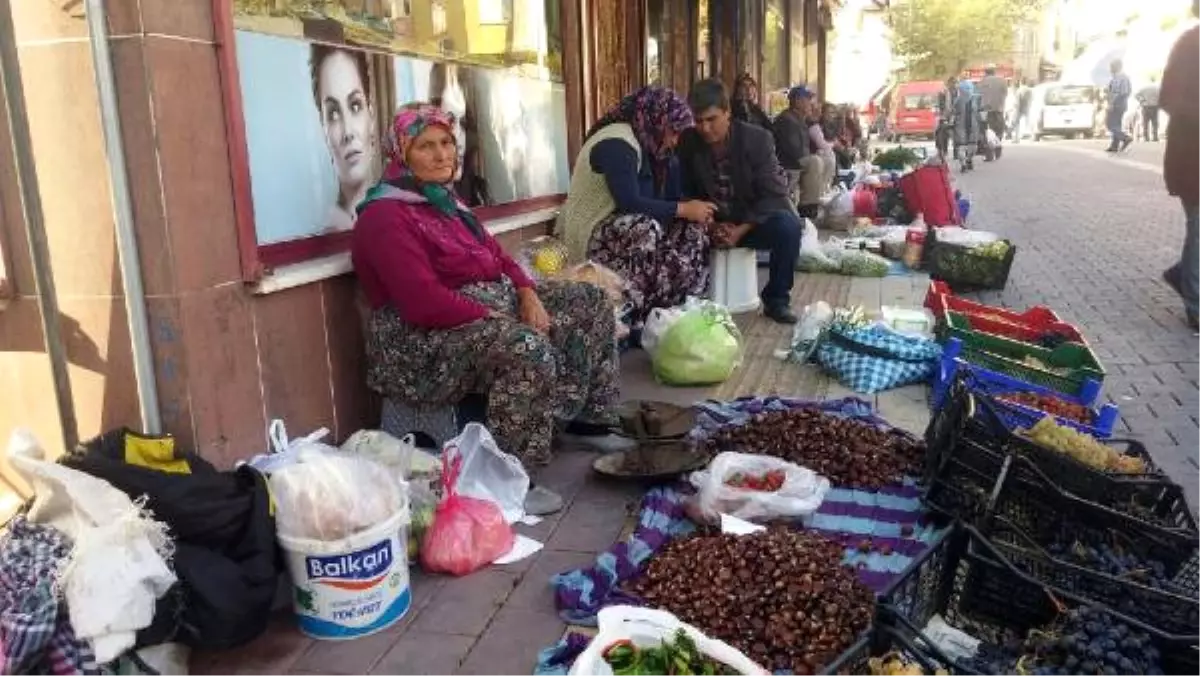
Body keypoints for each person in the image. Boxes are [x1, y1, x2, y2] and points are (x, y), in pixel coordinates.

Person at [352, 103, 625, 515]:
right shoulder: (385, 216)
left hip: (482, 310)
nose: (442, 154)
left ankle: (587, 420)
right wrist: (501, 316)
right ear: (401, 153)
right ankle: (513, 475)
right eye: (426, 146)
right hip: (421, 341)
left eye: (446, 143)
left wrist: (527, 293)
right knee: (524, 346)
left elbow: (500, 258)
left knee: (588, 301)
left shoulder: (447, 205)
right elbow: (422, 301)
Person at [556, 87, 714, 330]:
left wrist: (695, 212)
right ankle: (641, 319)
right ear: (658, 121)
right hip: (590, 232)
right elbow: (628, 201)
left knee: (692, 229)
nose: (674, 141)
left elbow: (666, 200)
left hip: (620, 229)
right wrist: (684, 209)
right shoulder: (618, 142)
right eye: (673, 132)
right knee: (644, 228)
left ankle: (682, 311)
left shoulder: (650, 146)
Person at [676, 78, 802, 324]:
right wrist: (710, 225)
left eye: (711, 119)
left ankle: (777, 299)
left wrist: (741, 229)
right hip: (707, 223)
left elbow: (774, 193)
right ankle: (684, 298)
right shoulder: (687, 142)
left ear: (727, 112)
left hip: (749, 221)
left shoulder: (757, 139)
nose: (705, 128)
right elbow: (682, 191)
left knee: (789, 226)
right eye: (698, 121)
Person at [1159, 1, 1200, 331]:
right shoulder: (1190, 44)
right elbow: (1169, 98)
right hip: (1193, 158)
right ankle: (1196, 304)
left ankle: (1183, 274)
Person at [310, 44, 379, 231]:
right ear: (323, 128)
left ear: (371, 115)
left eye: (355, 106)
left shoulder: (401, 212)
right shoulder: (327, 236)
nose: (348, 131)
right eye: (333, 114)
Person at [773, 86, 823, 220]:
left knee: (821, 158)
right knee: (815, 161)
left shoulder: (799, 118)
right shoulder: (787, 119)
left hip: (796, 160)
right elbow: (793, 151)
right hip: (786, 162)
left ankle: (813, 201)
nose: (810, 103)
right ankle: (807, 207)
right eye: (807, 99)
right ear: (797, 101)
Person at [978, 67, 1007, 160]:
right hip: (999, 109)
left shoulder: (983, 81)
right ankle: (998, 149)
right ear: (994, 72)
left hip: (986, 110)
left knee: (987, 131)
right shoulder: (1002, 81)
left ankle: (989, 154)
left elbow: (979, 95)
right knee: (998, 130)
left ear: (986, 73)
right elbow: (1005, 93)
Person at [953, 80, 981, 172]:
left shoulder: (959, 100)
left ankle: (966, 162)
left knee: (968, 146)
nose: (968, 91)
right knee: (967, 145)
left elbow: (953, 112)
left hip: (967, 125)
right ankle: (966, 162)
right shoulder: (973, 99)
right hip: (967, 125)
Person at [1106, 59, 1134, 153]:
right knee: (1116, 124)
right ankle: (1114, 146)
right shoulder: (1114, 78)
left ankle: (1125, 138)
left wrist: (1113, 103)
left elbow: (1124, 92)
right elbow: (1110, 91)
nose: (1110, 69)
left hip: (1118, 103)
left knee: (1110, 124)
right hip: (1114, 103)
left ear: (1117, 67)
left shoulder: (1123, 78)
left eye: (1111, 66)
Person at [808, 101, 838, 189]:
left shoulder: (824, 124)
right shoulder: (814, 126)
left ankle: (829, 184)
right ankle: (825, 187)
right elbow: (822, 144)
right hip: (813, 155)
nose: (819, 113)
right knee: (828, 155)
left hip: (817, 154)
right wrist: (834, 144)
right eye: (816, 110)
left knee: (831, 154)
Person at [935, 77, 958, 158]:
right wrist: (942, 116)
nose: (954, 85)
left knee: (955, 135)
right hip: (946, 116)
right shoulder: (943, 92)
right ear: (949, 83)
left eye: (955, 83)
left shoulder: (958, 92)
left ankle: (955, 153)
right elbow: (940, 105)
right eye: (953, 83)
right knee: (942, 135)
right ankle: (944, 151)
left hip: (954, 115)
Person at [1136, 75, 1161, 142]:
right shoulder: (1158, 88)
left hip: (1146, 106)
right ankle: (1155, 137)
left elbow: (1136, 95)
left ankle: (1146, 137)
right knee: (1155, 123)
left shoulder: (1144, 88)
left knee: (1145, 122)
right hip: (1155, 107)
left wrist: (1141, 100)